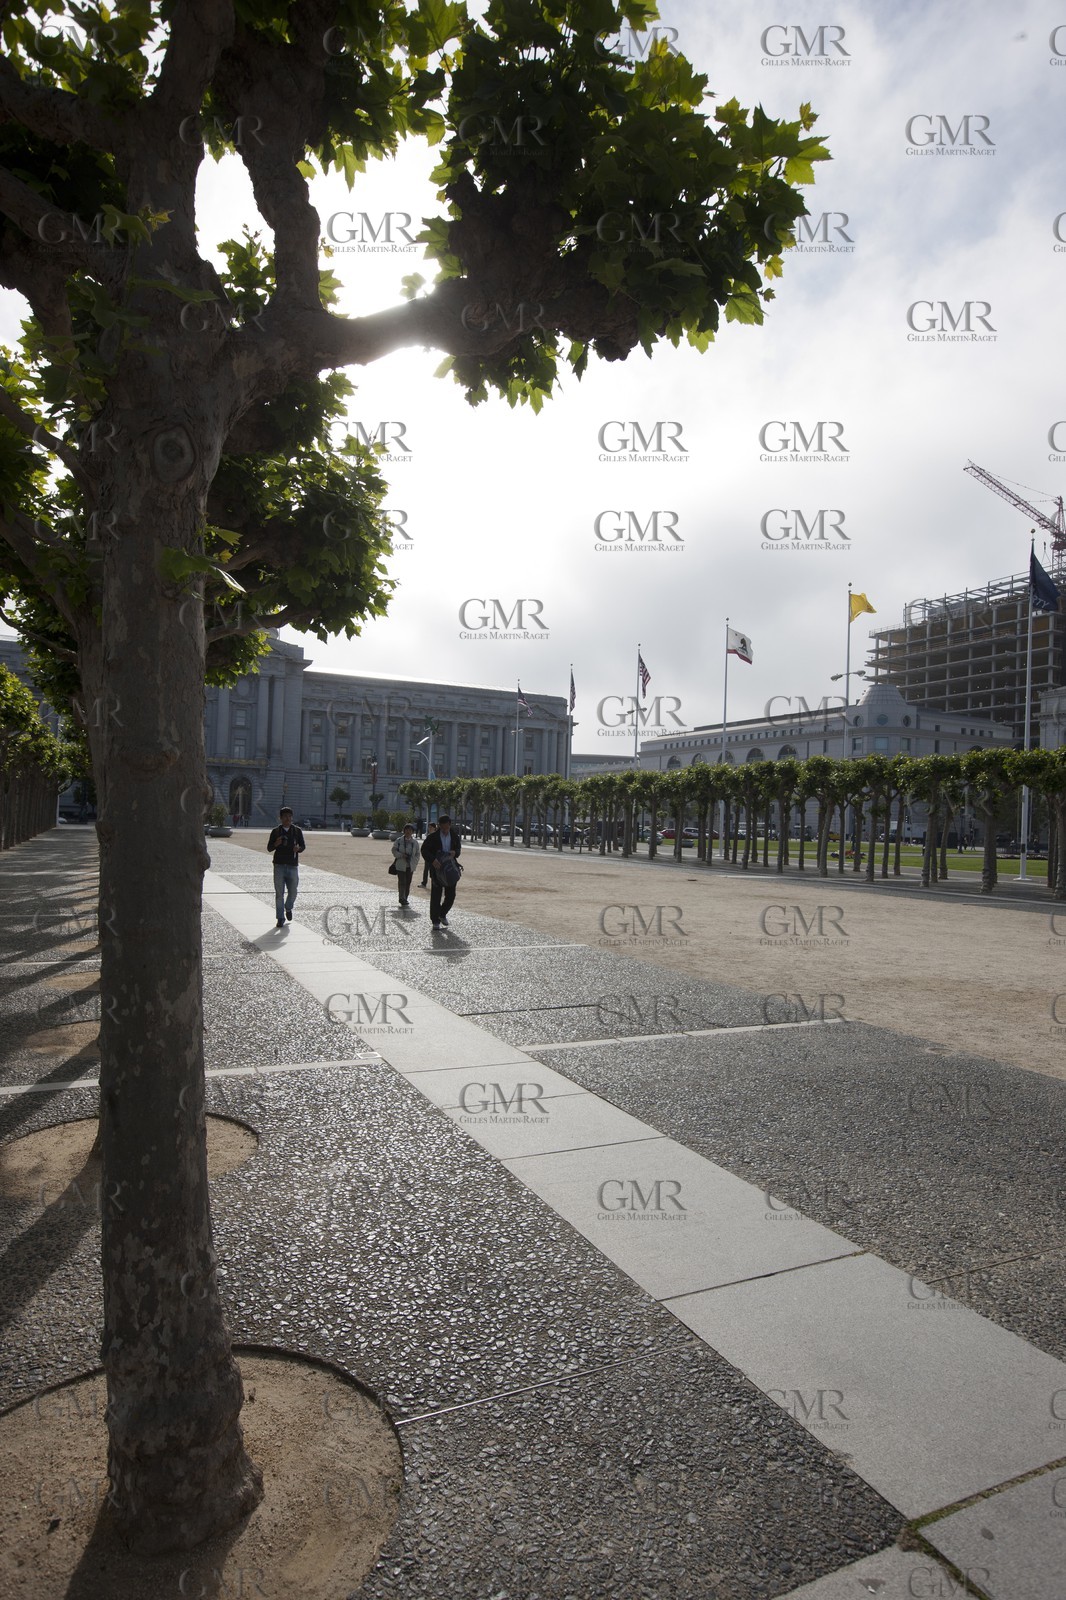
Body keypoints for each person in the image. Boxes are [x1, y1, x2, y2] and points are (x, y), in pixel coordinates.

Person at [267, 806, 305, 928]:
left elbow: (303, 846)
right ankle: (280, 918)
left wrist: (298, 849)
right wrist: (276, 843)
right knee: (279, 893)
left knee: (293, 892)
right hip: (279, 866)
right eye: (285, 816)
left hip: (292, 866)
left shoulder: (297, 831)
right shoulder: (276, 831)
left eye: (289, 816)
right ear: (280, 818)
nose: (287, 819)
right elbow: (269, 848)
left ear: (292, 817)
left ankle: (288, 907)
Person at [421, 814, 461, 929]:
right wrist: (433, 860)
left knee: (451, 895)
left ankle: (442, 914)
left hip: (450, 869)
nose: (444, 830)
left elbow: (458, 849)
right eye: (442, 827)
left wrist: (455, 852)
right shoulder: (433, 837)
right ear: (439, 826)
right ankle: (435, 921)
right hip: (437, 869)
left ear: (450, 825)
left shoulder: (454, 836)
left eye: (446, 827)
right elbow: (424, 850)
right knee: (436, 895)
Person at [392, 823, 419, 909]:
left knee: (408, 882)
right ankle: (401, 898)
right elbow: (394, 850)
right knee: (402, 881)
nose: (408, 831)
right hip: (400, 865)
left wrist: (414, 862)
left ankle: (405, 898)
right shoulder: (399, 840)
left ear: (412, 832)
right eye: (406, 830)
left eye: (410, 830)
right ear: (404, 831)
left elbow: (417, 854)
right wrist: (401, 855)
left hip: (410, 866)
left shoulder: (415, 842)